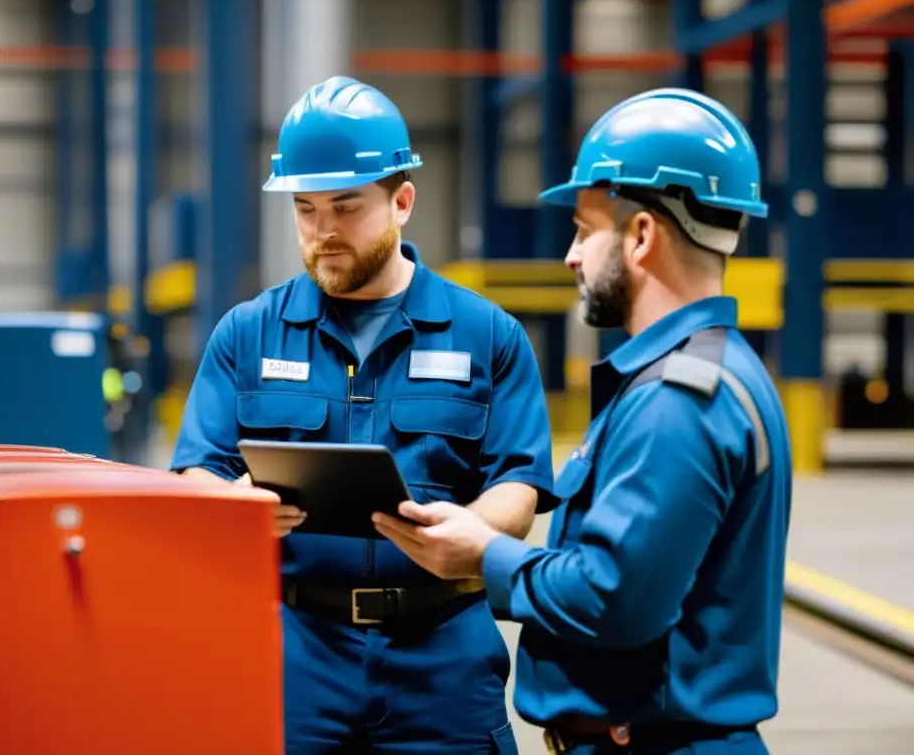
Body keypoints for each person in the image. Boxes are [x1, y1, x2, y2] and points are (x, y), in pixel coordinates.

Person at [374, 87, 792, 754]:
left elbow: (615, 599)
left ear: (643, 236)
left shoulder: (678, 401)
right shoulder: (712, 372)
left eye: (585, 229)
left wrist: (484, 557)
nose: (571, 255)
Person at [170, 75, 555, 753]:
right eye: (306, 210)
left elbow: (519, 487)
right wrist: (235, 508)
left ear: (401, 201)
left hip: (442, 656)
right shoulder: (248, 333)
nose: (323, 233)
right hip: (295, 653)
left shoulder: (487, 335)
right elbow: (196, 471)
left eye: (346, 207)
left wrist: (468, 529)